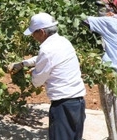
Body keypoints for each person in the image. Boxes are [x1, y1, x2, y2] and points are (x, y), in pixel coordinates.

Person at [8, 12, 86, 140]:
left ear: (42, 32)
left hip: (63, 106)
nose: (33, 36)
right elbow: (44, 59)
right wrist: (23, 63)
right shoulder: (63, 41)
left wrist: (33, 72)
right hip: (78, 102)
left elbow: (37, 81)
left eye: (34, 32)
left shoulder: (47, 49)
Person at [82, 0, 117, 140]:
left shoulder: (109, 21)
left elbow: (81, 19)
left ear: (112, 9)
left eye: (103, 7)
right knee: (115, 109)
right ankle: (116, 136)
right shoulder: (114, 21)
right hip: (115, 70)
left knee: (114, 109)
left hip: (114, 72)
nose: (100, 10)